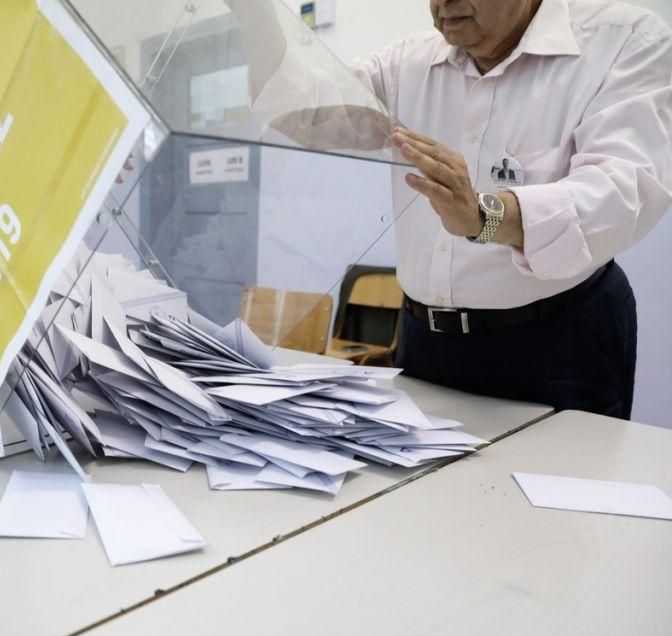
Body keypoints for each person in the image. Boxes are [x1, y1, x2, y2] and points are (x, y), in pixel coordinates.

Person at [228, 0, 671, 419]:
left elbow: (622, 188)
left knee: (559, 476)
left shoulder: (622, 41)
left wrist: (487, 217)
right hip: (424, 340)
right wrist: (252, 12)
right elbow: (303, 113)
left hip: (557, 340)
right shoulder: (407, 65)